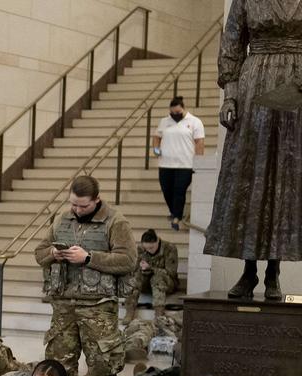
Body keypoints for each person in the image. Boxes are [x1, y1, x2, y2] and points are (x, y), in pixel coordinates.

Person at [204, 0, 301, 301]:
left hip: (297, 87)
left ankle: (274, 270)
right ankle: (249, 270)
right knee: (250, 176)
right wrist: (230, 96)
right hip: (255, 84)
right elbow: (232, 43)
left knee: (285, 179)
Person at [35, 175, 137, 376]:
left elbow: (127, 260)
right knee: (58, 371)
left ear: (97, 200)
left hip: (98, 308)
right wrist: (53, 253)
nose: (77, 210)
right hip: (63, 307)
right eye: (73, 205)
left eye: (83, 206)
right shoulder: (62, 219)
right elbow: (39, 253)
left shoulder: (115, 221)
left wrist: (89, 257)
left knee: (103, 374)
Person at [151, 96, 206, 230]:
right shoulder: (164, 121)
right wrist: (156, 149)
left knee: (179, 191)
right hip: (166, 164)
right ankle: (174, 212)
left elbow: (199, 142)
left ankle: (177, 217)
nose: (175, 115)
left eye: (177, 113)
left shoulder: (194, 122)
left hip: (185, 164)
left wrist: (198, 161)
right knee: (167, 191)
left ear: (183, 109)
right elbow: (157, 137)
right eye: (172, 113)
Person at [124, 229, 181, 322]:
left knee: (157, 278)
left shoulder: (169, 248)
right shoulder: (141, 249)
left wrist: (151, 268)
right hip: (146, 282)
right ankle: (129, 311)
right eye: (146, 248)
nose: (149, 250)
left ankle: (159, 315)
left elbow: (171, 272)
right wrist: (140, 268)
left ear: (158, 241)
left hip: (166, 282)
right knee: (135, 279)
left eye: (151, 248)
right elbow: (133, 270)